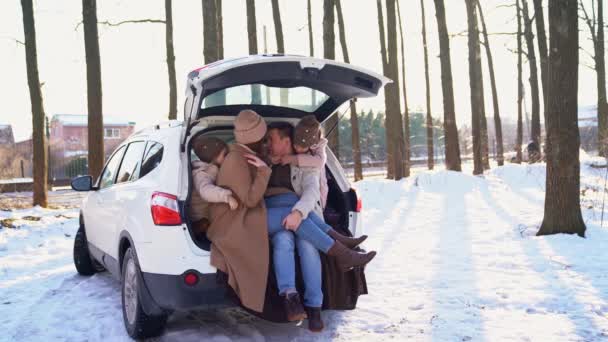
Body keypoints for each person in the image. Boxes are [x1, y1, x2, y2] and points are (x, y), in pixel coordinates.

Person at [249, 121, 376, 332]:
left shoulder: (306, 163)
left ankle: (307, 306)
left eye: (270, 139)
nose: (266, 144)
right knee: (293, 230)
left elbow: (311, 193)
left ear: (286, 140)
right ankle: (340, 249)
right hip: (268, 214)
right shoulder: (262, 161)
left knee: (291, 241)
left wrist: (297, 213)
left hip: (297, 215)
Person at [205, 110, 272, 313]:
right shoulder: (236, 159)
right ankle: (336, 247)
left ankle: (336, 245)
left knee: (292, 205)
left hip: (242, 212)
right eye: (264, 137)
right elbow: (251, 200)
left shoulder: (245, 154)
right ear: (256, 138)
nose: (267, 141)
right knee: (295, 219)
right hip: (233, 221)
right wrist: (264, 171)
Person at [189, 137, 238, 239]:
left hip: (207, 211)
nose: (227, 157)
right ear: (214, 157)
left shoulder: (211, 168)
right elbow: (206, 191)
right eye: (224, 154)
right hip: (201, 217)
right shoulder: (201, 174)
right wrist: (227, 197)